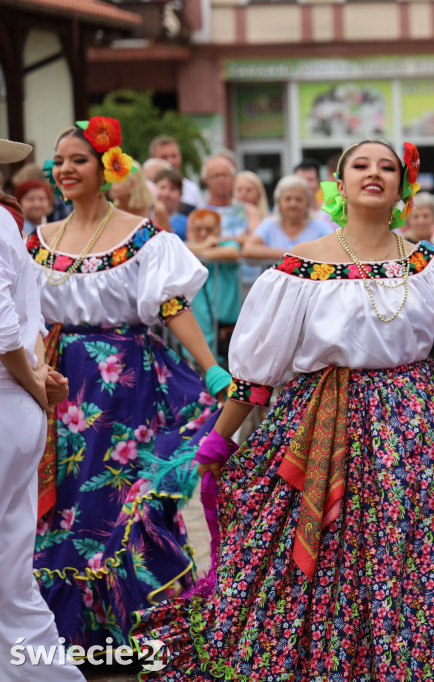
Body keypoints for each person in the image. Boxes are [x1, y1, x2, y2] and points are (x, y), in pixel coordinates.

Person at [132, 140, 434, 679]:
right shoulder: (298, 270)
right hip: (324, 428)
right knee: (334, 558)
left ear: (401, 188)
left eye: (387, 167)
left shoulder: (430, 264)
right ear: (339, 186)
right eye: (360, 166)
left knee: (416, 557)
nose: (374, 173)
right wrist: (220, 438)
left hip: (418, 436)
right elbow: (256, 378)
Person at [26, 117, 229, 648]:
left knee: (122, 502)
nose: (66, 169)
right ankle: (66, 637)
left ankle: (140, 631)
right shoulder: (37, 242)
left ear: (107, 167)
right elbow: (23, 319)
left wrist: (211, 367)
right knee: (65, 507)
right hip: (59, 386)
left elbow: (171, 305)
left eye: (79, 160)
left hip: (128, 386)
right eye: (60, 159)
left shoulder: (143, 236)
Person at [0, 136, 84, 682]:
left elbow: (6, 326)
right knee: (10, 572)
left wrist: (31, 379)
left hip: (10, 396)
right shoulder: (5, 221)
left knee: (10, 571)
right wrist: (34, 382)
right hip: (12, 399)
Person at [185, 209, 241, 364]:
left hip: (224, 330)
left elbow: (232, 252)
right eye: (198, 229)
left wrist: (200, 250)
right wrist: (205, 246)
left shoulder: (228, 244)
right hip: (197, 329)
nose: (203, 234)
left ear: (218, 229)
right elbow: (177, 247)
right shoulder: (186, 246)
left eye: (209, 229)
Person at [241, 175, 333, 261]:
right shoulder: (270, 224)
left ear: (307, 202)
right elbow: (248, 249)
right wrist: (291, 255)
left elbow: (336, 247)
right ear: (279, 202)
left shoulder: (318, 225)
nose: (293, 204)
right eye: (288, 199)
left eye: (298, 199)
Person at [199, 156, 259, 245]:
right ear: (205, 180)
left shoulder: (249, 210)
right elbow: (196, 244)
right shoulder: (199, 213)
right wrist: (242, 239)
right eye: (216, 176)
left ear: (233, 178)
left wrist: (219, 240)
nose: (221, 180)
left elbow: (258, 240)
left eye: (225, 175)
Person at [108, 162, 171, 231]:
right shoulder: (110, 212)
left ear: (133, 184)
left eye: (117, 181)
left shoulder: (156, 211)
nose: (110, 185)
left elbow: (168, 240)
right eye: (110, 179)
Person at [149, 134, 201, 211]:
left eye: (174, 156)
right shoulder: (145, 187)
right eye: (164, 157)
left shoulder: (191, 188)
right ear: (153, 159)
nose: (171, 161)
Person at [153, 167, 190, 239]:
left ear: (180, 194)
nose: (166, 193)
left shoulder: (187, 224)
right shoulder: (146, 219)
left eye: (173, 189)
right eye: (162, 187)